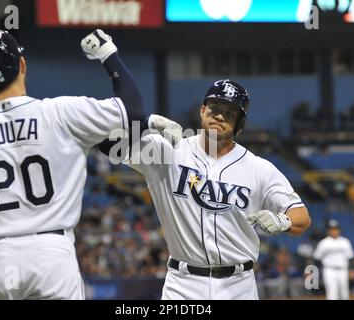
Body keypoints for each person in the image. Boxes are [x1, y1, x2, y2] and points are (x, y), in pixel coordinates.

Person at [0, 29, 180, 300]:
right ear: (22, 65)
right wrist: (109, 54)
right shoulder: (60, 113)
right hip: (52, 254)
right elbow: (132, 110)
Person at [103, 79, 311, 299]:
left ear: (240, 126)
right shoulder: (167, 151)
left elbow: (302, 217)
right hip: (183, 284)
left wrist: (284, 221)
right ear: (202, 111)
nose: (220, 116)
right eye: (215, 108)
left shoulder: (259, 169)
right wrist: (146, 123)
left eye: (230, 113)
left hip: (238, 285)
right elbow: (104, 140)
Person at [313, 219, 354, 300]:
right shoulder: (323, 243)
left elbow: (351, 257)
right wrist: (312, 271)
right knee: (332, 294)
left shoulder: (345, 242)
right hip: (329, 270)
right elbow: (316, 258)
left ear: (339, 230)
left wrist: (352, 270)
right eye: (332, 229)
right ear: (328, 231)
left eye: (336, 229)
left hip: (343, 270)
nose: (334, 231)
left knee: (344, 294)